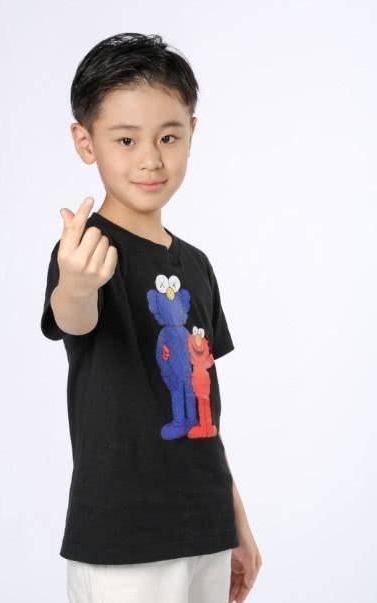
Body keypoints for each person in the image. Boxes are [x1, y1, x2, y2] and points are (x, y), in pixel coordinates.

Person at [40, 32, 262, 603]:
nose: (150, 159)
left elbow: (206, 413)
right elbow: (73, 318)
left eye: (168, 136)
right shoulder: (85, 252)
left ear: (192, 133)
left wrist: (236, 521)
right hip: (123, 542)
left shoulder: (196, 264)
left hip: (206, 531)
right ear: (85, 142)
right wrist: (76, 283)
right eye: (125, 139)